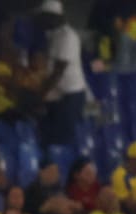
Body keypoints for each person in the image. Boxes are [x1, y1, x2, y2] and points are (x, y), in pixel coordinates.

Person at [38, 0, 88, 146]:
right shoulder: (54, 35)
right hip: (59, 94)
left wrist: (40, 95)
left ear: (56, 17)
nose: (44, 21)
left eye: (46, 17)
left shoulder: (67, 36)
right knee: (52, 136)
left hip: (71, 96)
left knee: (63, 139)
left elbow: (58, 71)